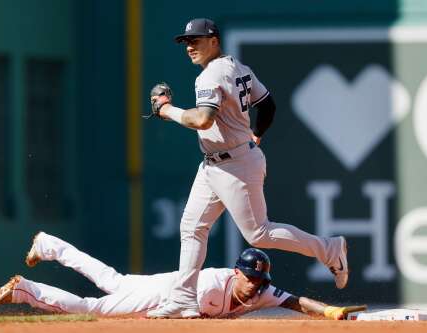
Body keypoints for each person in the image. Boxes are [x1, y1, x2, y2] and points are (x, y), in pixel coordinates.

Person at [145, 18, 349, 319]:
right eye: (186, 42)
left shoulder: (209, 77)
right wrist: (254, 136)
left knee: (258, 233)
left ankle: (329, 249)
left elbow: (203, 120)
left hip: (235, 165)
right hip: (218, 163)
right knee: (192, 228)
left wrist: (166, 110)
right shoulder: (237, 67)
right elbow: (267, 105)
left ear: (214, 40)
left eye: (196, 40)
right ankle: (184, 299)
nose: (189, 46)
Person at [0, 232, 364, 319]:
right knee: (95, 308)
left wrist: (330, 311)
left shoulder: (260, 291)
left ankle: (50, 245)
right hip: (166, 294)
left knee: (111, 279)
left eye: (261, 282)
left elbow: (295, 301)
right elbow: (185, 313)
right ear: (238, 273)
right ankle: (25, 289)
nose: (257, 287)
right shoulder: (219, 283)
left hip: (166, 288)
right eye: (252, 280)